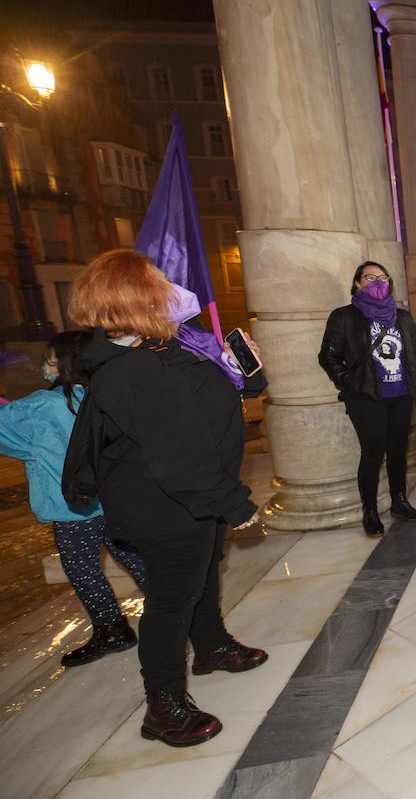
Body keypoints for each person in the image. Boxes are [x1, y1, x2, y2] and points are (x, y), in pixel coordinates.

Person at [63, 249, 268, 748]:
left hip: (191, 495)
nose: (167, 290)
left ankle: (213, 646)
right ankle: (164, 704)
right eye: (156, 284)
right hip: (168, 503)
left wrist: (243, 374)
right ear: (135, 298)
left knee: (201, 576)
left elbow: (201, 400)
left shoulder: (151, 350)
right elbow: (176, 452)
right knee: (171, 600)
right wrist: (233, 503)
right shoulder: (129, 369)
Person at [0, 330, 147, 668]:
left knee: (82, 569)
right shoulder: (102, 394)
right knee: (134, 557)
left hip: (73, 506)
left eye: (51, 359)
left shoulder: (42, 406)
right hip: (112, 497)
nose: (45, 366)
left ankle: (112, 629)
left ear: (66, 364)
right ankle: (180, 611)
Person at [318, 262, 416, 537]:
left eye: (382, 277)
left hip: (400, 395)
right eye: (369, 277)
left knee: (398, 450)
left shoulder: (401, 317)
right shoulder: (344, 317)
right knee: (373, 453)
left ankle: (399, 501)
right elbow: (327, 355)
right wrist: (348, 381)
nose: (377, 282)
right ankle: (369, 511)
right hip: (366, 397)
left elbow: (412, 354)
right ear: (357, 283)